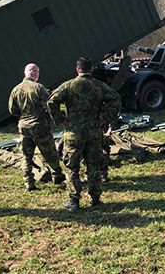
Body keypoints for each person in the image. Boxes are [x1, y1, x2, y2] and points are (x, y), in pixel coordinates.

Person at [48, 57, 121, 212]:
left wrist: (61, 120)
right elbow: (115, 99)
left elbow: (51, 102)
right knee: (93, 166)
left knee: (72, 167)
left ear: (77, 69)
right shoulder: (99, 86)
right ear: (91, 69)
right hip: (94, 132)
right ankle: (95, 199)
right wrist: (104, 118)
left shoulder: (68, 85)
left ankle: (74, 201)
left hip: (74, 133)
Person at [8, 63, 65, 191]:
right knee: (50, 152)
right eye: (34, 71)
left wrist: (25, 114)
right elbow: (48, 107)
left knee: (26, 155)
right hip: (40, 125)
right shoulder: (39, 88)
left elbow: (13, 110)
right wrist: (59, 119)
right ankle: (57, 176)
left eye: (37, 71)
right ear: (28, 72)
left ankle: (28, 182)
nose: (36, 73)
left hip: (24, 126)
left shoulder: (16, 89)